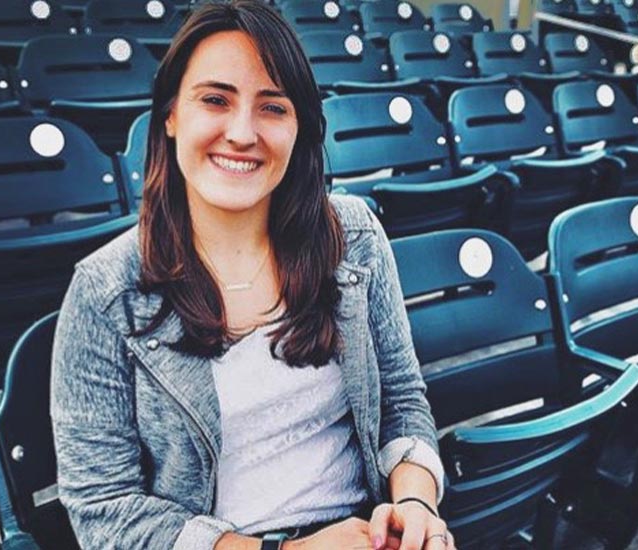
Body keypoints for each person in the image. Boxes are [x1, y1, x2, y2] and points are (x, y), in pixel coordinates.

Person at [50, 2, 453, 549]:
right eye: (215, 100)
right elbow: (104, 512)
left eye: (272, 107)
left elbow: (401, 399)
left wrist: (413, 504)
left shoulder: (353, 237)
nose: (242, 133)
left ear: (298, 127)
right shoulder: (105, 291)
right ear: (170, 114)